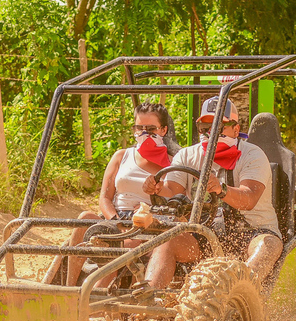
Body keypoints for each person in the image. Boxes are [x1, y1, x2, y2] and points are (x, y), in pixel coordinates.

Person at [141, 96, 283, 289]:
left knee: (269, 246)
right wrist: (157, 188)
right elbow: (172, 190)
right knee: (167, 241)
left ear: (236, 129)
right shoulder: (187, 155)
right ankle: (149, 298)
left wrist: (221, 189)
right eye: (204, 127)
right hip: (204, 234)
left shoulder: (252, 154)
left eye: (218, 127)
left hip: (251, 231)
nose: (210, 132)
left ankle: (239, 294)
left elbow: (249, 199)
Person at [46, 101, 172, 286]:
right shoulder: (122, 156)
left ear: (163, 130)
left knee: (122, 244)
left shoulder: (172, 164)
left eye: (151, 129)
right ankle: (69, 287)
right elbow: (105, 198)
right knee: (84, 218)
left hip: (147, 224)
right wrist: (116, 223)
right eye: (140, 128)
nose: (144, 133)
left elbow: (174, 198)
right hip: (115, 218)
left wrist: (150, 212)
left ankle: (94, 293)